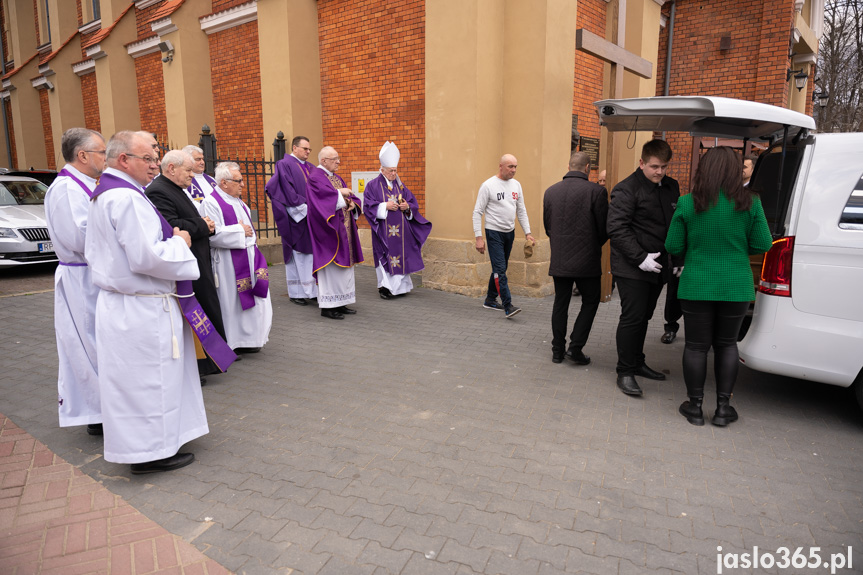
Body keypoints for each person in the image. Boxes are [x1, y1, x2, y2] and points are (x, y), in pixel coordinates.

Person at [84, 131, 207, 474]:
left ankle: (154, 444)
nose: (155, 165)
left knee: (139, 382)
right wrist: (181, 241)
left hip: (128, 303)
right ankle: (151, 453)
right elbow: (146, 256)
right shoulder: (125, 198)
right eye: (149, 159)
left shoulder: (112, 193)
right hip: (140, 306)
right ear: (124, 160)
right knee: (149, 381)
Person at [666, 146, 772, 426]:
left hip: (697, 284)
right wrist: (736, 248)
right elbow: (763, 243)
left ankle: (695, 406)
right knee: (727, 345)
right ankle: (723, 409)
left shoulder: (688, 202)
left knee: (696, 346)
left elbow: (673, 245)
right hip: (736, 284)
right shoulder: (751, 201)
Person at [43, 128, 106, 437]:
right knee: (87, 345)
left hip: (90, 274)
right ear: (82, 156)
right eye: (102, 152)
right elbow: (79, 237)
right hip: (81, 277)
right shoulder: (67, 189)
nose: (106, 158)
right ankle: (98, 412)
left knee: (96, 344)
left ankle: (101, 409)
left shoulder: (84, 185)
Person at [607, 139, 680, 397]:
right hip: (632, 267)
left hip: (659, 266)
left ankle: (637, 362)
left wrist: (677, 260)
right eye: (654, 166)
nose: (659, 171)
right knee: (632, 318)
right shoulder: (626, 189)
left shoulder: (671, 187)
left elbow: (676, 225)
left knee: (645, 318)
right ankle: (624, 371)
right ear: (642, 163)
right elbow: (617, 228)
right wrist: (640, 258)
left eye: (664, 166)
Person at [146, 150, 227, 377]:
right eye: (189, 170)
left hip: (196, 260)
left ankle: (211, 361)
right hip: (186, 265)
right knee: (196, 315)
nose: (193, 175)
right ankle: (199, 366)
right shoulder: (159, 191)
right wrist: (203, 224)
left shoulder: (174, 189)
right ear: (172, 168)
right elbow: (171, 226)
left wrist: (202, 224)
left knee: (207, 310)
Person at [543, 151, 607, 365]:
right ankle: (575, 347)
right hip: (587, 259)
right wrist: (592, 244)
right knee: (590, 302)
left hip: (560, 258)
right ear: (588, 167)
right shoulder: (597, 192)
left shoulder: (551, 192)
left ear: (569, 166)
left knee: (560, 304)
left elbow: (548, 227)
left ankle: (557, 350)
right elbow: (603, 229)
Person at [202, 162, 273, 352]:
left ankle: (251, 338)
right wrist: (239, 231)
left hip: (249, 256)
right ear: (224, 183)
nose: (243, 184)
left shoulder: (239, 201)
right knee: (232, 302)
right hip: (228, 262)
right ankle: (236, 341)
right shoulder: (211, 202)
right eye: (239, 180)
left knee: (256, 297)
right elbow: (212, 235)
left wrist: (245, 234)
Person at [362, 141, 432, 299]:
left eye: (395, 170)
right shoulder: (373, 186)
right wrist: (384, 206)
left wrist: (407, 207)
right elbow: (367, 206)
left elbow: (413, 203)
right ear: (383, 170)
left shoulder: (400, 186)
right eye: (391, 171)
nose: (394, 174)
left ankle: (401, 288)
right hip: (383, 231)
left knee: (402, 256)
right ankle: (385, 288)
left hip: (402, 233)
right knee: (386, 257)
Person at [473, 154, 535, 318]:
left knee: (500, 268)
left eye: (515, 167)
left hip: (510, 233)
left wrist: (528, 233)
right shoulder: (488, 185)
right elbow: (477, 212)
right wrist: (479, 238)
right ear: (501, 166)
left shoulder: (516, 185)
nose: (514, 170)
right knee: (500, 270)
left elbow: (521, 210)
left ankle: (490, 299)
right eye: (510, 166)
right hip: (493, 232)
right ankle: (508, 306)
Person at [306, 146, 364, 319]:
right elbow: (320, 199)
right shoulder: (315, 177)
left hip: (343, 231)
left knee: (344, 270)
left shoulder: (336, 177)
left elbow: (350, 196)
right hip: (328, 232)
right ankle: (328, 307)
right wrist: (340, 193)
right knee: (331, 269)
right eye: (335, 159)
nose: (338, 162)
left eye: (338, 158)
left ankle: (341, 302)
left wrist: (352, 204)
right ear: (324, 161)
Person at [265, 136, 318, 305]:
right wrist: (305, 208)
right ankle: (297, 293)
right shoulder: (284, 164)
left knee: (310, 256)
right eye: (305, 149)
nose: (308, 152)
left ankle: (312, 290)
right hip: (298, 217)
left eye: (309, 149)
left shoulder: (311, 167)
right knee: (298, 256)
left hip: (312, 217)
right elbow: (286, 190)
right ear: (294, 148)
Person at [183, 144, 219, 209]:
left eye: (202, 159)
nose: (202, 162)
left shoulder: (211, 179)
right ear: (187, 160)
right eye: (198, 159)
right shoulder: (183, 181)